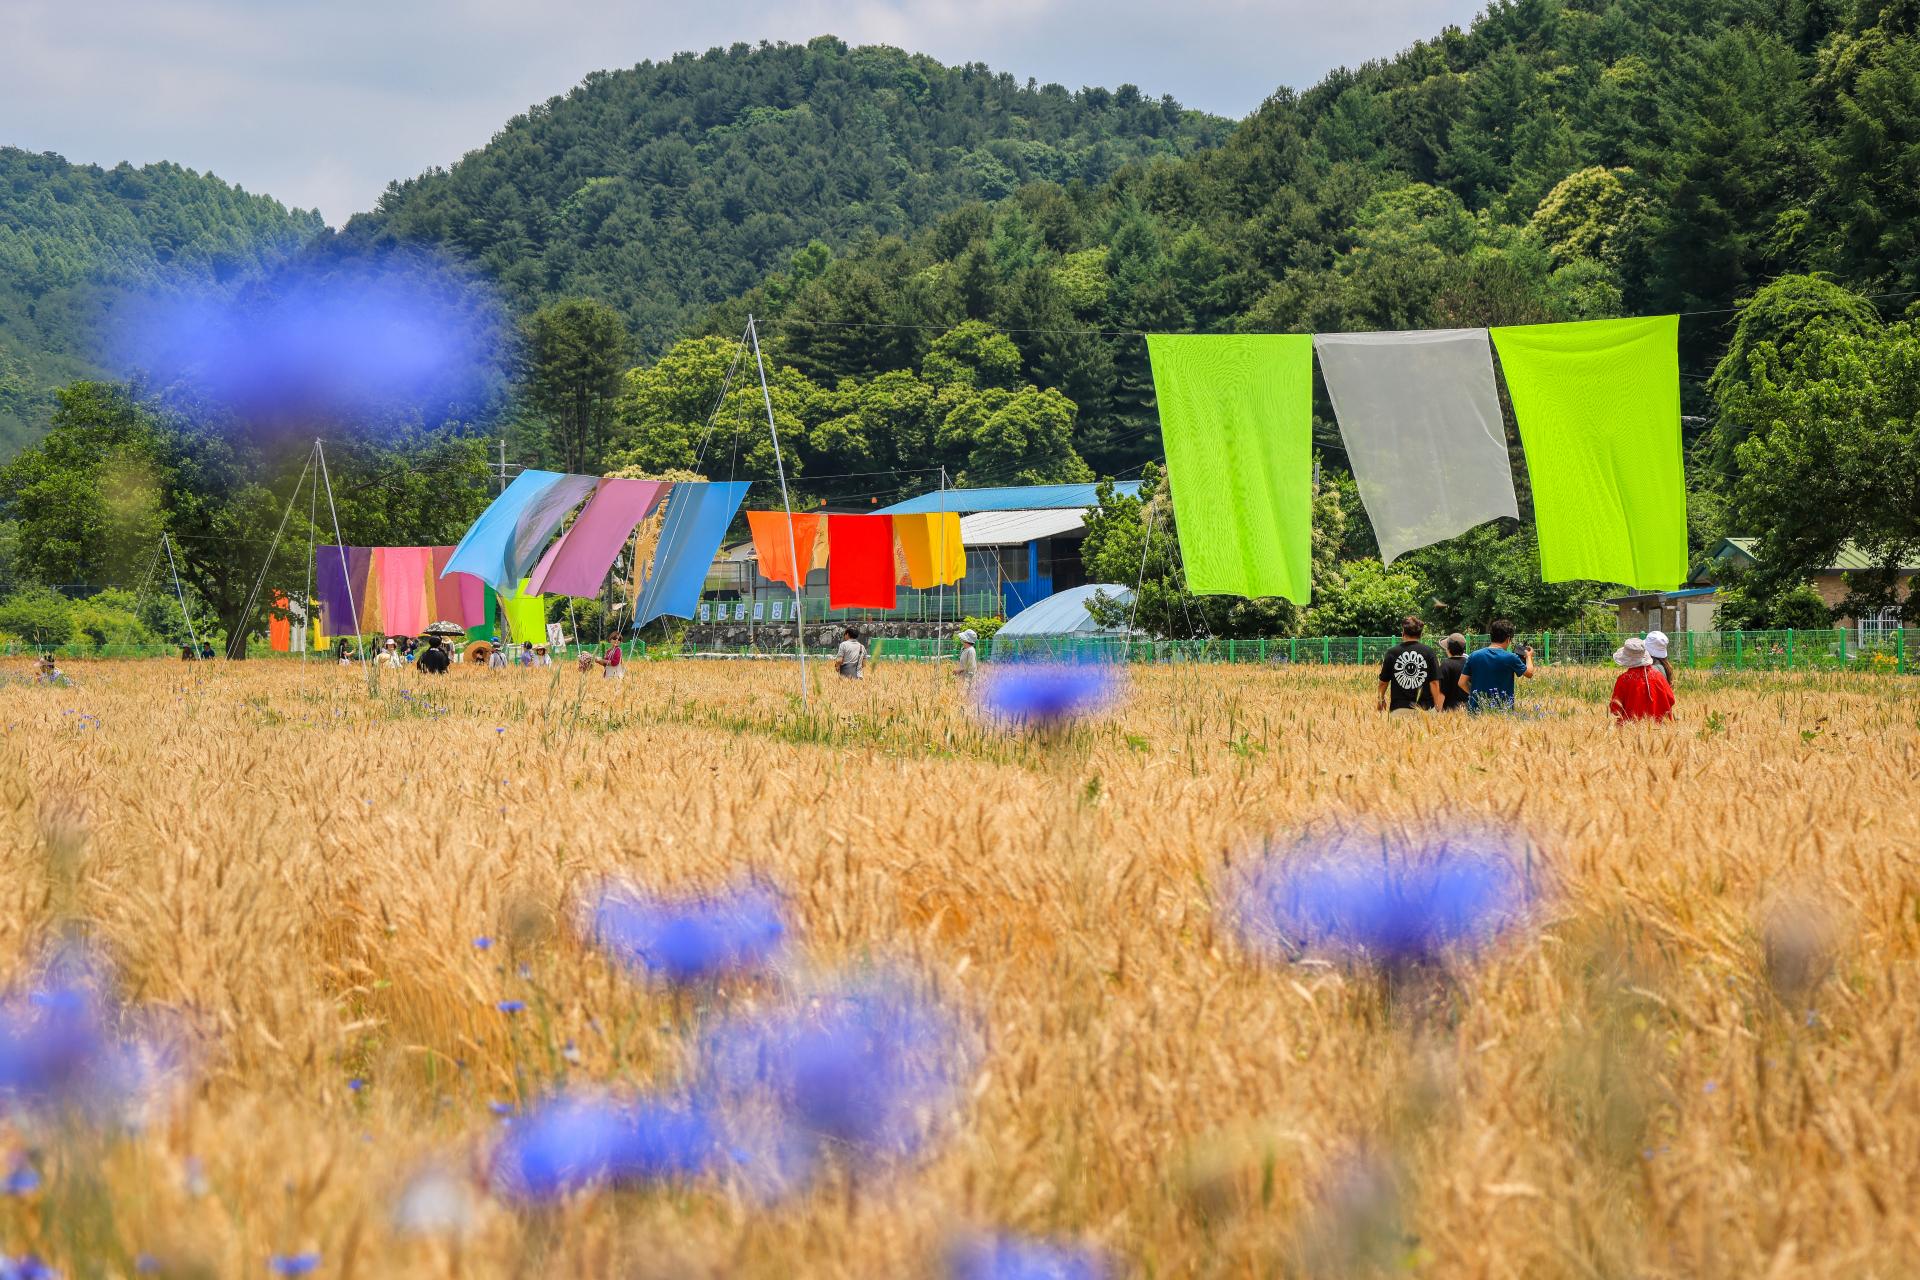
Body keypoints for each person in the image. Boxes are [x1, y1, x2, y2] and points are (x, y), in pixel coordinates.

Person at [1460, 619, 1535, 713]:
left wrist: (1476, 696)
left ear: (1491, 636)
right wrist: (1528, 656)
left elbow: (1461, 683)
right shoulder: (1511, 657)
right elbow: (1529, 673)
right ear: (1508, 639)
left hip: (1476, 710)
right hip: (1503, 710)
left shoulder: (1474, 655)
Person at [1377, 615, 1440, 713]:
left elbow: (1383, 682)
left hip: (1399, 709)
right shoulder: (1429, 652)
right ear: (1420, 634)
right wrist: (1437, 707)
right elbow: (1434, 682)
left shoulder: (1392, 652)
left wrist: (1380, 700)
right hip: (1425, 709)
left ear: (1403, 633)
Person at [1610, 636, 1675, 722]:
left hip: (1629, 731)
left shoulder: (1623, 680)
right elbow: (1671, 700)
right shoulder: (1659, 676)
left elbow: (1615, 709)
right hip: (1660, 729)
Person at [1437, 633, 1469, 712]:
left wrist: (1438, 711)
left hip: (1450, 710)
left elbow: (1442, 692)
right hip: (1467, 708)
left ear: (1448, 649)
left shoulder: (1445, 665)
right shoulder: (1468, 663)